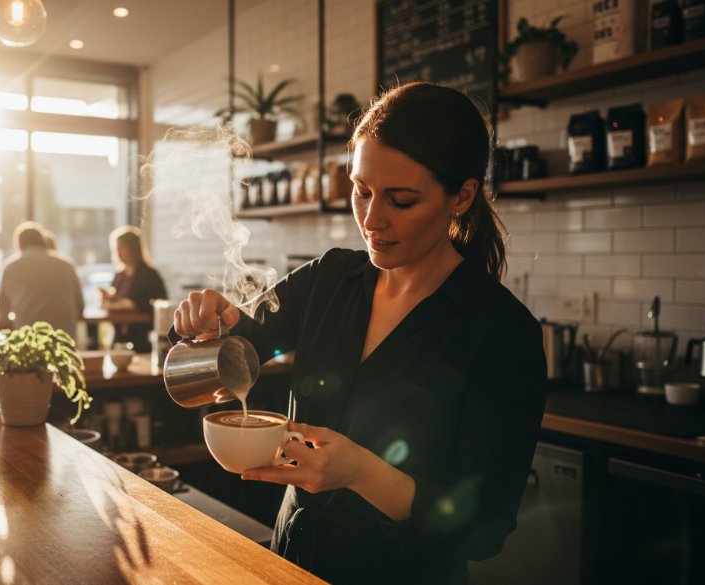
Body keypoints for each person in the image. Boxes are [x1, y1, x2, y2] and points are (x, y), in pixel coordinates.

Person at [172, 82, 547, 584]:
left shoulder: (502, 331)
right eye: (361, 190)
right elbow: (240, 348)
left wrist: (364, 474)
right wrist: (209, 324)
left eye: (402, 200)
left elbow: (484, 528)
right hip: (292, 560)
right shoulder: (330, 277)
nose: (371, 219)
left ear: (461, 196)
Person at [0, 221, 84, 336]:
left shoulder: (11, 267)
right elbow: (80, 305)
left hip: (28, 337)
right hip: (64, 337)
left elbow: (3, 309)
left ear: (19, 244)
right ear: (42, 241)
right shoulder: (66, 265)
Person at [100, 226, 167, 352]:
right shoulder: (119, 276)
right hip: (119, 337)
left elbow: (160, 302)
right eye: (116, 249)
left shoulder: (149, 274)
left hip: (142, 337)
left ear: (133, 249)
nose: (118, 253)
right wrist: (107, 299)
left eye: (122, 248)